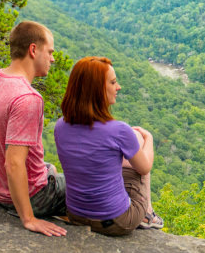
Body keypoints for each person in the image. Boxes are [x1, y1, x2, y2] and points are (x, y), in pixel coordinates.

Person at [0, 20, 68, 237]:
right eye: (50, 51)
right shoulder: (27, 98)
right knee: (95, 184)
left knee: (50, 168)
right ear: (33, 49)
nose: (53, 58)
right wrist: (28, 219)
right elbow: (14, 163)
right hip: (33, 197)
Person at [54, 56, 163, 236]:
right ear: (97, 90)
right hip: (116, 222)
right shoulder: (119, 130)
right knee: (139, 143)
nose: (118, 87)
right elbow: (144, 168)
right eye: (113, 82)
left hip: (75, 215)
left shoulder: (60, 126)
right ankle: (147, 214)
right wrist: (148, 138)